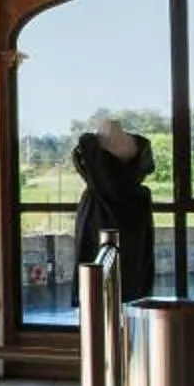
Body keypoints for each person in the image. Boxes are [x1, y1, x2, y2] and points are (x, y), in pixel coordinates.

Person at [70, 118, 158, 300]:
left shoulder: (88, 146)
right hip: (130, 215)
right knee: (119, 276)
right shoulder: (138, 147)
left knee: (100, 279)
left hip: (98, 215)